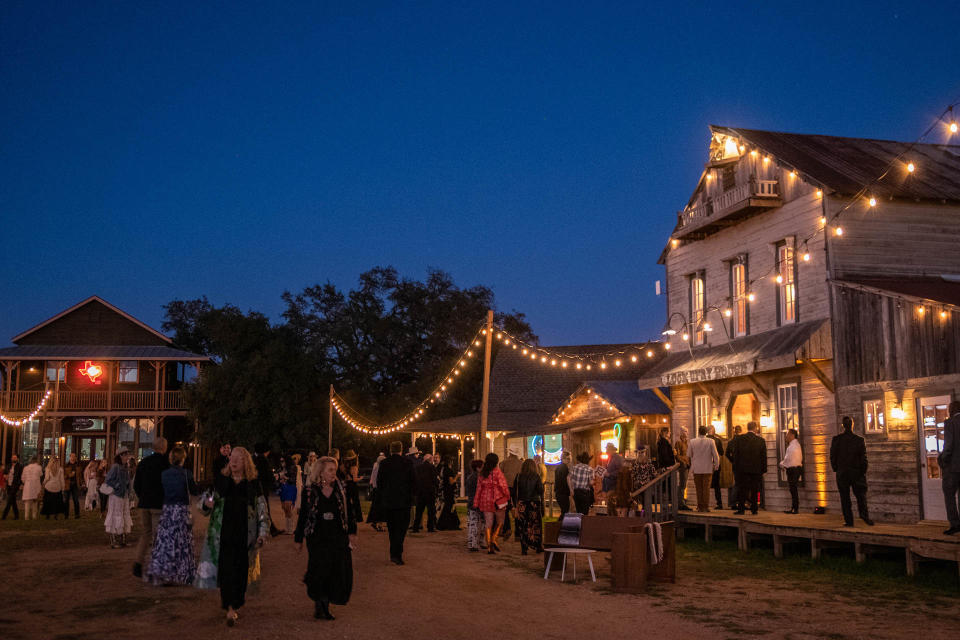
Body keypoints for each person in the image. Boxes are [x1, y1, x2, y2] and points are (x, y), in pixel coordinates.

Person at [196, 446, 269, 627]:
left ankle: (235, 604)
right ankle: (229, 608)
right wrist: (206, 504)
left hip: (245, 538)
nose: (234, 461)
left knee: (240, 573)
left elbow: (262, 511)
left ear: (246, 463)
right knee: (227, 572)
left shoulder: (253, 484)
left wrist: (262, 534)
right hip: (224, 536)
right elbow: (202, 505)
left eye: (239, 458)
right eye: (232, 458)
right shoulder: (221, 482)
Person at [295, 455, 358, 621]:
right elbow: (303, 516)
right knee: (320, 569)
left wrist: (352, 532)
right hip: (317, 537)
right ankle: (320, 605)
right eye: (330, 470)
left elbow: (349, 511)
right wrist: (298, 539)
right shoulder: (310, 491)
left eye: (335, 470)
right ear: (320, 472)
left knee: (335, 570)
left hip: (337, 536)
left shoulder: (341, 489)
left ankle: (325, 604)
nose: (333, 474)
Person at [147, 446, 199, 585]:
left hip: (168, 510)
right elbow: (194, 492)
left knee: (166, 542)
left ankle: (164, 573)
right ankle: (182, 574)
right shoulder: (186, 474)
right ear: (183, 458)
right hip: (181, 510)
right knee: (182, 543)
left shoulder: (164, 474)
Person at [373, 440, 415, 565]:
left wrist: (383, 496)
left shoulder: (385, 463)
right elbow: (413, 481)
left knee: (392, 528)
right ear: (401, 450)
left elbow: (380, 482)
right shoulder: (408, 463)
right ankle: (398, 552)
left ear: (391, 450)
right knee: (402, 528)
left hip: (389, 501)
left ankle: (394, 552)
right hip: (404, 501)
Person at [133, 436, 169, 578]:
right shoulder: (166, 464)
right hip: (158, 504)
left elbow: (136, 484)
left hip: (144, 504)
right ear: (164, 448)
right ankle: (156, 568)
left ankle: (138, 562)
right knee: (158, 537)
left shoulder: (143, 463)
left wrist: (142, 496)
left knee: (146, 534)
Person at [830, 416, 874, 527]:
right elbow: (863, 458)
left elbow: (832, 456)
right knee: (861, 496)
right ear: (852, 425)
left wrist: (836, 469)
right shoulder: (859, 440)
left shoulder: (837, 440)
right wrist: (863, 471)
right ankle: (864, 516)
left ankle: (849, 521)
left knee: (845, 498)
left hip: (842, 472)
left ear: (843, 426)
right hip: (856, 472)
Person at [475, 452, 510, 555]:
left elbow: (478, 489)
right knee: (500, 522)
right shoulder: (498, 472)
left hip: (485, 500)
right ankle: (494, 539)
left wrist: (476, 502)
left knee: (488, 523)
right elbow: (503, 486)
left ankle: (490, 547)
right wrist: (508, 496)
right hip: (499, 500)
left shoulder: (482, 473)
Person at [730, 422, 767, 515]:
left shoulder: (740, 439)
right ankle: (754, 509)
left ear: (747, 428)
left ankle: (741, 509)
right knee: (755, 489)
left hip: (742, 469)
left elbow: (736, 454)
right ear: (755, 428)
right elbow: (763, 456)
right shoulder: (761, 440)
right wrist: (764, 469)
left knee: (743, 489)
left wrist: (735, 467)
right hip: (756, 469)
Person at [513, 458, 544, 555]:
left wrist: (515, 504)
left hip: (522, 503)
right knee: (535, 524)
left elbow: (514, 491)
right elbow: (540, 490)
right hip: (533, 503)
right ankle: (537, 545)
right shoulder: (536, 476)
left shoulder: (518, 476)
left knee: (523, 525)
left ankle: (524, 547)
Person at [104, 448, 133, 547]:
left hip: (123, 495)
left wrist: (128, 489)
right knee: (116, 515)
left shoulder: (124, 467)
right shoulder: (115, 467)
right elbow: (108, 480)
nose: (127, 457)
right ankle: (114, 540)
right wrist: (117, 486)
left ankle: (122, 539)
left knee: (124, 514)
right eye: (126, 455)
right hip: (116, 496)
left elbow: (127, 481)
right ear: (120, 456)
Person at [253, 442, 282, 537]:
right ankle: (270, 529)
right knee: (264, 508)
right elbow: (268, 474)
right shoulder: (263, 459)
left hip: (254, 487)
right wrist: (274, 480)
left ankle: (270, 529)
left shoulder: (252, 458)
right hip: (262, 487)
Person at [689, 426, 720, 512]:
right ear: (706, 432)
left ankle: (700, 506)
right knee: (706, 488)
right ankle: (705, 507)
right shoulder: (711, 441)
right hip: (707, 468)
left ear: (698, 432)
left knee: (698, 488)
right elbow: (715, 455)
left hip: (697, 468)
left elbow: (689, 454)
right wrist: (716, 465)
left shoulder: (692, 441)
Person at [940, 401, 960, 535]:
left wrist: (942, 461)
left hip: (953, 468)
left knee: (949, 496)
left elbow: (948, 445)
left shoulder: (950, 423)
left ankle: (955, 524)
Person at [411, 453, 438, 533]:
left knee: (419, 511)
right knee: (431, 510)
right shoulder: (432, 467)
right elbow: (434, 479)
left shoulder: (418, 468)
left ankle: (415, 527)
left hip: (421, 492)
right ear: (430, 460)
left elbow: (415, 479)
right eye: (432, 459)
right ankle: (430, 527)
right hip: (430, 492)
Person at [499, 448, 522, 538]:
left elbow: (500, 476)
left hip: (506, 488)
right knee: (517, 508)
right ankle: (518, 531)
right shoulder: (521, 463)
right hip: (517, 489)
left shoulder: (504, 463)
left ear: (509, 452)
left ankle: (507, 528)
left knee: (505, 509)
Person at [779, 428, 803, 514]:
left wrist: (781, 464)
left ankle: (795, 508)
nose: (786, 436)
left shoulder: (792, 446)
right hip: (796, 469)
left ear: (792, 435)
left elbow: (788, 459)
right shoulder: (796, 444)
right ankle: (794, 508)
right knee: (793, 489)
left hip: (793, 469)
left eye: (788, 434)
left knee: (793, 489)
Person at [464, 459, 484, 551]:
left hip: (471, 502)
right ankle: (474, 543)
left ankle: (473, 542)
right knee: (477, 522)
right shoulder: (478, 478)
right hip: (477, 502)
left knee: (473, 523)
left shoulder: (470, 477)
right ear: (478, 468)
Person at [436, 456, 460, 530]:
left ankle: (452, 524)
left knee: (449, 507)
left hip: (446, 491)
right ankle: (444, 524)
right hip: (449, 492)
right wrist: (457, 476)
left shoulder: (443, 470)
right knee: (448, 507)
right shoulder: (449, 470)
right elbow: (451, 482)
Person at [341, 451, 363, 524]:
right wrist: (361, 478)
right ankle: (358, 517)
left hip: (346, 485)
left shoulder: (344, 466)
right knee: (356, 500)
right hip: (353, 485)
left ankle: (348, 515)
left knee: (347, 501)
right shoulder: (354, 467)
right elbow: (354, 479)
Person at [279, 455, 299, 534]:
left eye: (283, 461)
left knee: (288, 506)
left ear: (287, 460)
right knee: (284, 508)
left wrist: (284, 477)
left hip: (290, 488)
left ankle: (291, 529)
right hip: (283, 488)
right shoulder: (281, 468)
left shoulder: (293, 467)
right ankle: (287, 528)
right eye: (280, 461)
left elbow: (293, 479)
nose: (281, 463)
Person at [366, 452, 386, 531]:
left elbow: (373, 479)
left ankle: (375, 522)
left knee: (376, 507)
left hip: (375, 489)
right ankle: (379, 524)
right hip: (380, 490)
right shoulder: (380, 468)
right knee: (381, 507)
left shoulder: (376, 467)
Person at [707, 426, 725, 509]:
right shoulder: (717, 440)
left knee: (705, 484)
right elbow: (721, 452)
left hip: (706, 465)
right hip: (716, 464)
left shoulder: (704, 440)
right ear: (713, 431)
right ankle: (719, 503)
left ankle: (704, 503)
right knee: (716, 485)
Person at [725, 425, 743, 508]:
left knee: (737, 483)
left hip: (735, 465)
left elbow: (727, 454)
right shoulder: (744, 440)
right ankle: (739, 502)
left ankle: (734, 502)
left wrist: (733, 460)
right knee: (741, 484)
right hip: (743, 464)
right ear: (741, 431)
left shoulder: (731, 441)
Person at [674, 427, 691, 510]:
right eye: (684, 431)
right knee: (682, 484)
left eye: (687, 431)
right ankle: (680, 503)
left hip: (687, 465)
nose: (686, 433)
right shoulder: (678, 443)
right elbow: (677, 455)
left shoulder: (687, 443)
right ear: (681, 432)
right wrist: (683, 462)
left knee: (685, 485)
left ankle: (683, 501)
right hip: (682, 466)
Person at [21, 456, 42, 520]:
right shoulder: (39, 467)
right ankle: (34, 516)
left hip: (28, 486)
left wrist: (26, 482)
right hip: (36, 486)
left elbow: (23, 478)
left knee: (27, 502)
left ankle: (26, 516)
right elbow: (41, 475)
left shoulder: (26, 468)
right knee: (35, 501)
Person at [2, 454, 22, 520]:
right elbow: (4, 473)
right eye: (13, 457)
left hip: (15, 485)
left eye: (15, 457)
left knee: (9, 500)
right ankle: (17, 516)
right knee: (13, 501)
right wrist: (5, 476)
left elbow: (21, 476)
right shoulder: (8, 466)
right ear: (11, 458)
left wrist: (20, 484)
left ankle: (4, 516)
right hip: (9, 485)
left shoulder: (20, 466)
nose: (14, 458)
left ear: (17, 459)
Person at [62, 452, 82, 519]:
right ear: (70, 457)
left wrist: (81, 483)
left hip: (75, 485)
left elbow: (80, 475)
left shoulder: (78, 465)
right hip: (67, 485)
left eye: (74, 456)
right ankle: (66, 515)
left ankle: (77, 515)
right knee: (66, 500)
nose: (73, 457)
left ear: (75, 457)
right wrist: (69, 475)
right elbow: (63, 476)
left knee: (76, 500)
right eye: (72, 456)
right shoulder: (66, 465)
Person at [553, 451, 571, 516]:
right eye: (568, 459)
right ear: (563, 459)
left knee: (564, 511)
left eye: (570, 459)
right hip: (563, 493)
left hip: (559, 492)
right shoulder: (564, 468)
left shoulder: (558, 467)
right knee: (565, 511)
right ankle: (557, 525)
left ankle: (559, 525)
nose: (569, 460)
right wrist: (570, 490)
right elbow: (565, 481)